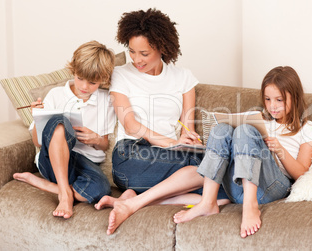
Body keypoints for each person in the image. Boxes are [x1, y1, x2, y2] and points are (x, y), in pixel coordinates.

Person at [94, 8, 229, 235]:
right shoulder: (120, 74)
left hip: (171, 156)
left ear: (162, 47)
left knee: (226, 180)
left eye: (144, 53)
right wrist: (171, 142)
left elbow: (188, 128)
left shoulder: (184, 78)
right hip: (132, 155)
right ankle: (136, 201)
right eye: (132, 52)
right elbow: (131, 125)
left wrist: (189, 140)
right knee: (210, 174)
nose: (136, 59)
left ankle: (136, 200)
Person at [173, 66, 312, 238]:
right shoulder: (258, 118)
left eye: (279, 100)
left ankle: (250, 206)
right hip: (236, 185)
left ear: (294, 97)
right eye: (268, 99)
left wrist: (280, 150)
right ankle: (207, 201)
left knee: (245, 131)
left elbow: (302, 174)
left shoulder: (306, 128)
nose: (272, 106)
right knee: (221, 129)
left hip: (271, 187)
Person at [13, 41, 116, 219]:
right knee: (59, 122)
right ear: (73, 71)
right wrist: (37, 116)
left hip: (83, 162)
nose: (84, 86)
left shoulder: (106, 100)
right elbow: (38, 142)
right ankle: (66, 195)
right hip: (51, 161)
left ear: (103, 79)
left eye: (92, 82)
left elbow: (104, 145)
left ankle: (44, 184)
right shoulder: (56, 94)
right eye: (80, 78)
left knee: (100, 189)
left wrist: (96, 139)